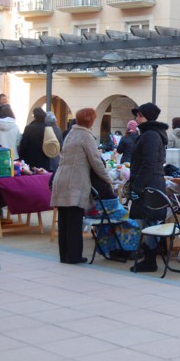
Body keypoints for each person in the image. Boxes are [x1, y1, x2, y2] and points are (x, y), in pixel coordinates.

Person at [51, 108, 113, 265]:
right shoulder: (86, 136)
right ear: (90, 120)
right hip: (74, 181)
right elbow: (96, 161)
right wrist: (108, 178)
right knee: (74, 220)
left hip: (61, 179)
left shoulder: (70, 134)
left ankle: (64, 255)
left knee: (64, 219)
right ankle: (74, 256)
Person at [128, 102, 168, 273]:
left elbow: (148, 163)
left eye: (139, 116)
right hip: (150, 183)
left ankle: (150, 261)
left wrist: (137, 186)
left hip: (149, 185)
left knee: (149, 221)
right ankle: (148, 257)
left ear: (147, 117)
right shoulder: (151, 134)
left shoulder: (150, 135)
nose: (136, 119)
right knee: (148, 220)